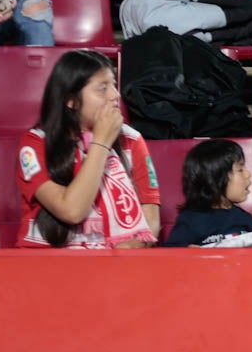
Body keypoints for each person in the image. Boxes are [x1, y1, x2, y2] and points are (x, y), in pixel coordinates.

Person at [17, 49, 159, 247]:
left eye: (114, 85)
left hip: (114, 263)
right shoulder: (35, 143)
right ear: (71, 100)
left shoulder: (132, 139)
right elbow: (72, 211)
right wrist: (101, 143)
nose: (115, 95)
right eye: (102, 88)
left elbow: (151, 215)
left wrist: (135, 246)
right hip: (48, 263)